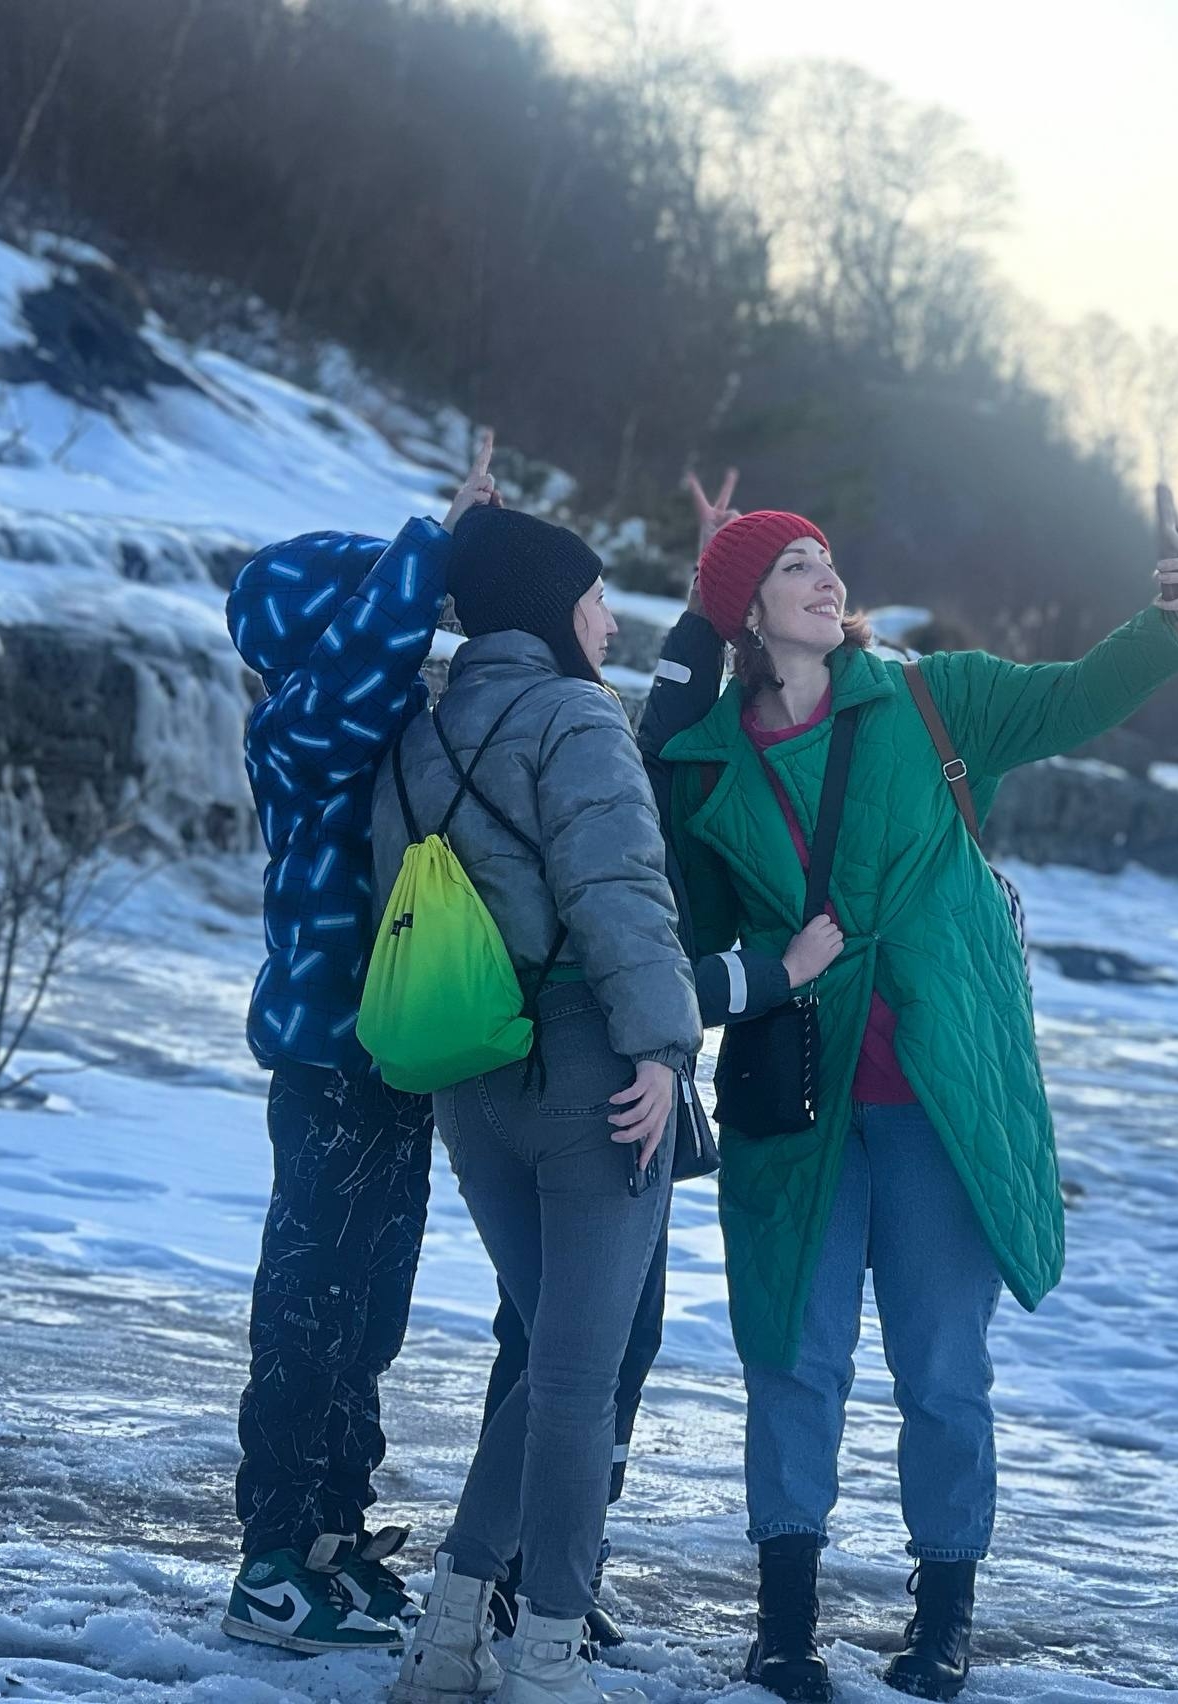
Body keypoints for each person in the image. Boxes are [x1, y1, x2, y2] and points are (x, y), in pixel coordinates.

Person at [661, 508, 1178, 1701]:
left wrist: (1166, 626)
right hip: (793, 1100)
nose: (825, 579)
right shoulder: (703, 762)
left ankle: (943, 1615)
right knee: (791, 1360)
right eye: (792, 568)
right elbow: (681, 937)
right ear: (746, 612)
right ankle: (784, 1628)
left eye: (826, 562)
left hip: (939, 1097)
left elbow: (1072, 697)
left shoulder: (930, 697)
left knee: (943, 1371)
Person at [473, 472, 840, 1651]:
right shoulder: (619, 752)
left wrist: (706, 586)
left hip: (559, 1066)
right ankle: (525, 1584)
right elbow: (648, 948)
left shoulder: (594, 738)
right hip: (611, 1068)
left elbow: (676, 703)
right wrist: (776, 974)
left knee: (590, 1342)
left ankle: (544, 1572)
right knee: (574, 1345)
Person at [381, 506, 701, 1704]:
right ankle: (550, 1648)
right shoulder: (576, 714)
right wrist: (661, 1046)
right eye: (596, 596)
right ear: (550, 604)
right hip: (587, 1069)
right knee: (576, 1377)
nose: (609, 622)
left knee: (548, 1362)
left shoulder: (415, 729)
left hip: (468, 1079)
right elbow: (619, 886)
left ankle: (451, 1633)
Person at [218, 435, 502, 1654]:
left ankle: (335, 1538)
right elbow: (360, 665)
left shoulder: (371, 725)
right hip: (325, 1062)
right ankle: (272, 1559)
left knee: (371, 1311)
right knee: (309, 1307)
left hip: (390, 1060)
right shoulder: (300, 727)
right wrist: (431, 545)